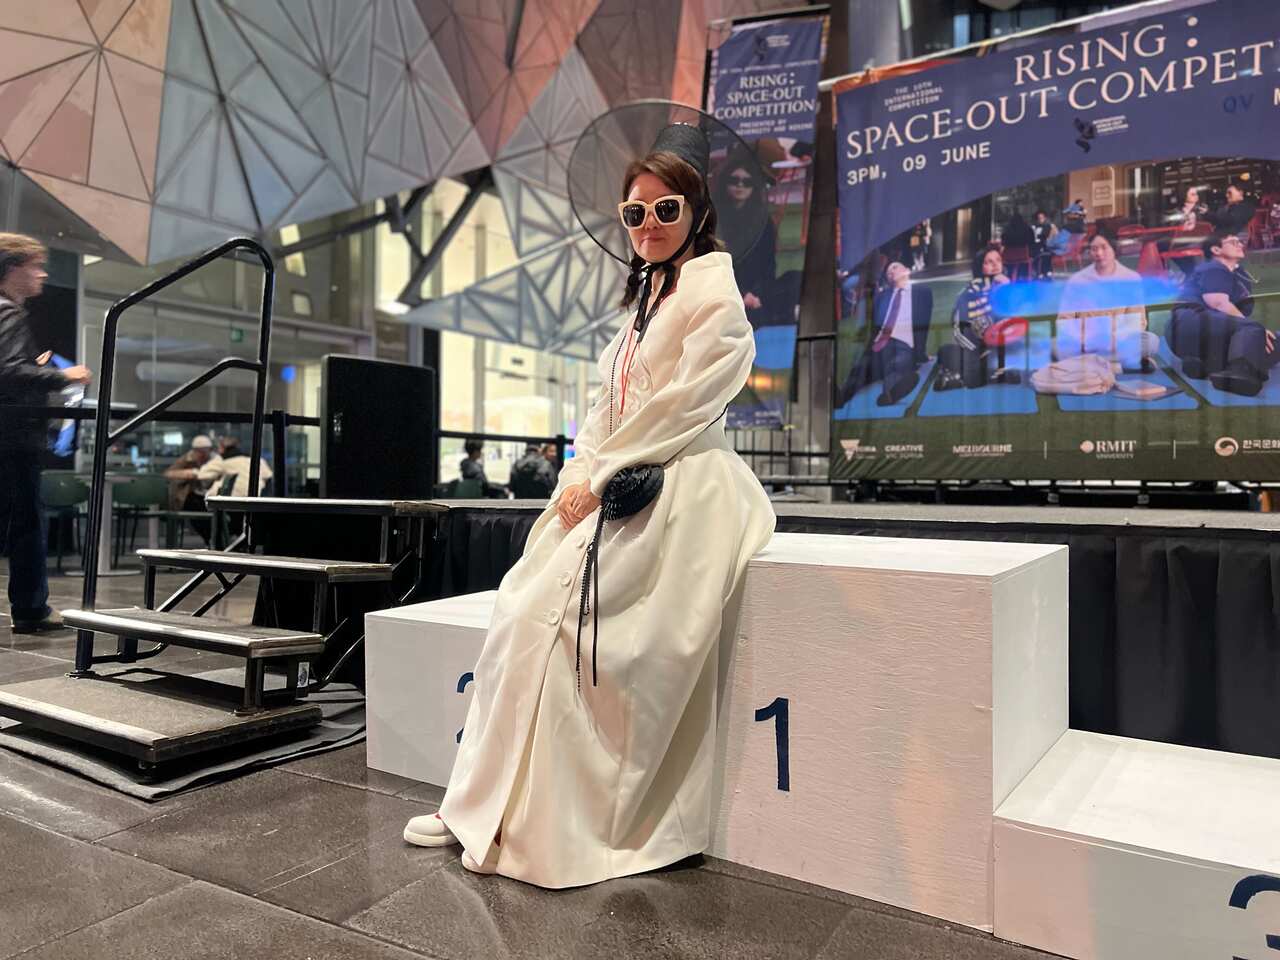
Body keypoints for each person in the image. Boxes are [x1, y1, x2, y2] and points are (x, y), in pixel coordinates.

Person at [403, 120, 775, 888]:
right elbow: (608, 410)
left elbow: (683, 406)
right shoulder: (645, 298)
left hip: (681, 483)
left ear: (696, 211)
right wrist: (579, 476)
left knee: (583, 634)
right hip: (619, 477)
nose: (648, 226)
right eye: (634, 213)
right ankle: (477, 804)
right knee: (518, 611)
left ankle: (542, 820)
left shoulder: (711, 291)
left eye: (665, 209)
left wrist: (603, 477)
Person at [0, 233, 92, 633]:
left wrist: (31, 367)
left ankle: (31, 606)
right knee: (26, 525)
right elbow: (7, 372)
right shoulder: (9, 314)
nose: (43, 273)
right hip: (13, 439)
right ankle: (31, 608)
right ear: (12, 269)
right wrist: (62, 375)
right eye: (35, 266)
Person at [1168, 232, 1277, 395]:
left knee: (1275, 341)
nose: (1240, 244)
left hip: (1215, 334)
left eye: (1240, 241)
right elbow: (1218, 303)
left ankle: (1208, 365)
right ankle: (1240, 373)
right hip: (1188, 322)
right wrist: (1254, 328)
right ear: (1216, 250)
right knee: (1254, 330)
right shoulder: (1213, 268)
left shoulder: (1239, 275)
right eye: (1233, 242)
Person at [1054, 226, 1155, 372]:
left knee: (1150, 341)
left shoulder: (1131, 278)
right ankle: (1119, 366)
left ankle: (1091, 365)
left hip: (1118, 342)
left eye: (1104, 247)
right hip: (1085, 344)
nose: (1099, 253)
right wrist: (1085, 340)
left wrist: (1113, 339)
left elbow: (1138, 322)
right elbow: (1064, 320)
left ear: (1114, 249)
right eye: (1094, 249)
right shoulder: (1077, 281)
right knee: (1059, 346)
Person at [834, 262, 932, 407]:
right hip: (880, 344)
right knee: (860, 369)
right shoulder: (881, 297)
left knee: (898, 364)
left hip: (904, 343)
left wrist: (921, 353)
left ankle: (889, 394)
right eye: (887, 271)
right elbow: (875, 327)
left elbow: (924, 322)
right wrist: (870, 348)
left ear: (907, 270)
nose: (890, 271)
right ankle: (839, 399)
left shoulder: (922, 292)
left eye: (894, 267)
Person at [937, 246, 1020, 389]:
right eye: (989, 262)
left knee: (1015, 376)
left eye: (998, 260)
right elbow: (958, 330)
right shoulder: (969, 293)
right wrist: (975, 354)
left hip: (994, 345)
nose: (995, 265)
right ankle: (958, 367)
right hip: (972, 346)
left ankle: (958, 375)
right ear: (980, 267)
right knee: (974, 380)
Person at [712, 155, 775, 327]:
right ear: (725, 183)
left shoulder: (762, 220)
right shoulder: (714, 218)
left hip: (757, 292)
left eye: (747, 182)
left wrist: (756, 293)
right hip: (723, 289)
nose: (740, 186)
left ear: (754, 186)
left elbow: (768, 263)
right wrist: (741, 292)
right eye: (734, 180)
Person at [164, 434, 216, 542]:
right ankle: (209, 539)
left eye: (204, 451)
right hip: (192, 496)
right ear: (194, 451)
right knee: (196, 509)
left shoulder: (215, 460)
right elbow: (169, 473)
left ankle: (213, 539)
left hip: (211, 495)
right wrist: (188, 473)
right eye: (199, 451)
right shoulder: (187, 459)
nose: (202, 455)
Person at [196, 435, 272, 498]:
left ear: (222, 448)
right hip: (255, 500)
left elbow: (202, 474)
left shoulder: (223, 460)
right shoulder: (257, 460)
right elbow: (268, 476)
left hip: (231, 501)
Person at [1159, 186, 1209, 277]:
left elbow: (1205, 227)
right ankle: (1184, 273)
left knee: (1160, 245)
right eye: (1193, 194)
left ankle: (1166, 272)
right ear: (1184, 196)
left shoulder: (1201, 212)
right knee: (1161, 245)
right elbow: (1169, 225)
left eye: (1196, 194)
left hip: (1193, 242)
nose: (1196, 196)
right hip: (1183, 242)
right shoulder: (1176, 212)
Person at [1030, 210, 1058, 279]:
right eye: (1039, 218)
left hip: (1047, 245)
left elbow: (1056, 234)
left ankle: (1046, 271)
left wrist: (1050, 237)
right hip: (1038, 245)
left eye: (1042, 218)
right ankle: (1040, 272)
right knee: (1038, 253)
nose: (1040, 220)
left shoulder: (1049, 225)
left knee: (1044, 253)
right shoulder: (1034, 226)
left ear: (1045, 218)